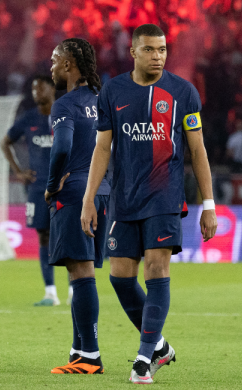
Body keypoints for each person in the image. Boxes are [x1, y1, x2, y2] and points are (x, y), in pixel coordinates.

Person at [81, 24, 218, 384]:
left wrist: (209, 203)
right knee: (120, 278)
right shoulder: (113, 91)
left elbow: (198, 149)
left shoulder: (183, 93)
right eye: (150, 50)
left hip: (164, 197)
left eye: (162, 50)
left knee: (156, 271)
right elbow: (102, 147)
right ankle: (158, 344)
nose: (158, 56)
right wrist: (89, 198)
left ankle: (143, 360)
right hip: (124, 198)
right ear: (134, 52)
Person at [45, 38, 109, 375]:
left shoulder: (65, 105)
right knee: (80, 270)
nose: (51, 66)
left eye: (55, 60)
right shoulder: (103, 102)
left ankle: (91, 356)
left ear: (69, 65)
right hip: (103, 192)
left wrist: (51, 183)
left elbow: (61, 147)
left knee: (80, 273)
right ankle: (78, 349)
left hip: (74, 193)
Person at [1, 76, 60, 306]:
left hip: (66, 188)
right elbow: (5, 142)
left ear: (52, 89)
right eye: (33, 87)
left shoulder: (66, 114)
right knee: (44, 237)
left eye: (41, 86)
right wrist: (18, 171)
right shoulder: (28, 119)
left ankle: (76, 292)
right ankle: (50, 292)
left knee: (70, 237)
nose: (36, 91)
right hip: (37, 188)